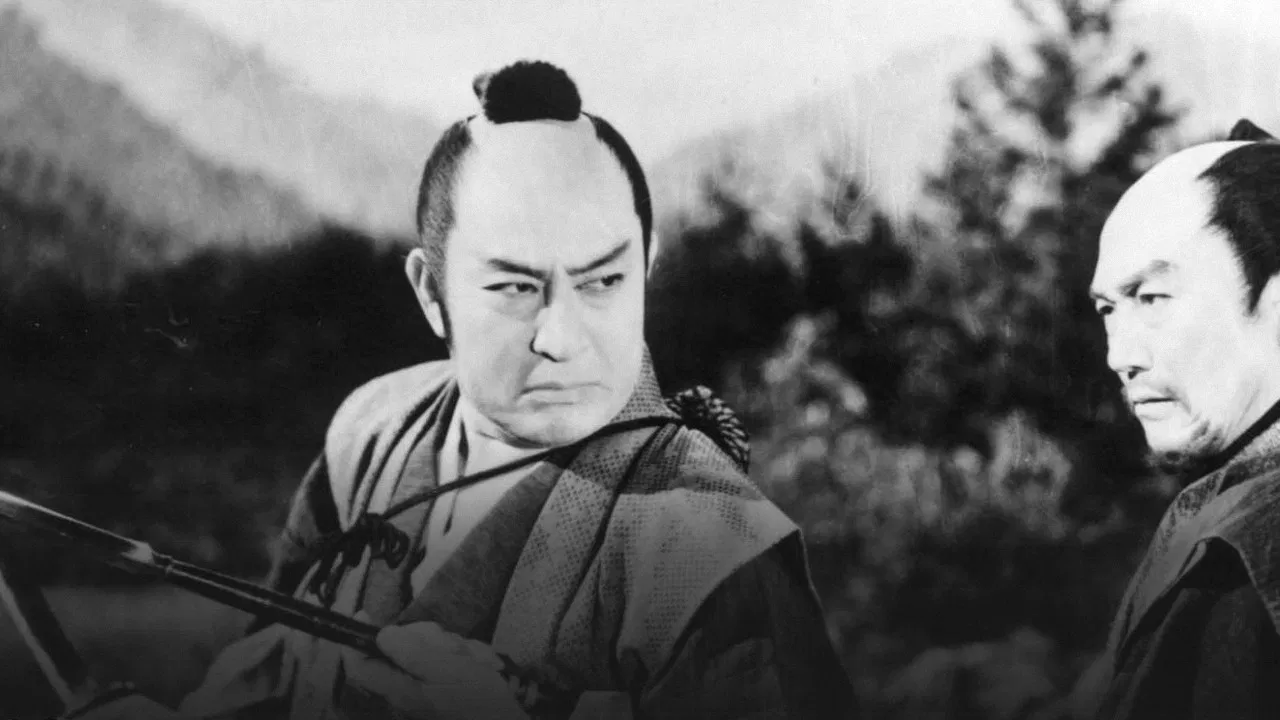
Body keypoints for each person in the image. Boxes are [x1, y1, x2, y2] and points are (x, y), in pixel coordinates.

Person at [70, 60, 856, 720]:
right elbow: (274, 664)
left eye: (603, 281)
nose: (560, 337)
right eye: (514, 288)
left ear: (647, 264)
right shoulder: (373, 431)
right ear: (430, 290)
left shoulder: (715, 548)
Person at [1088, 118, 1280, 719]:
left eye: (1151, 298)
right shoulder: (1226, 515)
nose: (1120, 357)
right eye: (1107, 310)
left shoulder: (1242, 561)